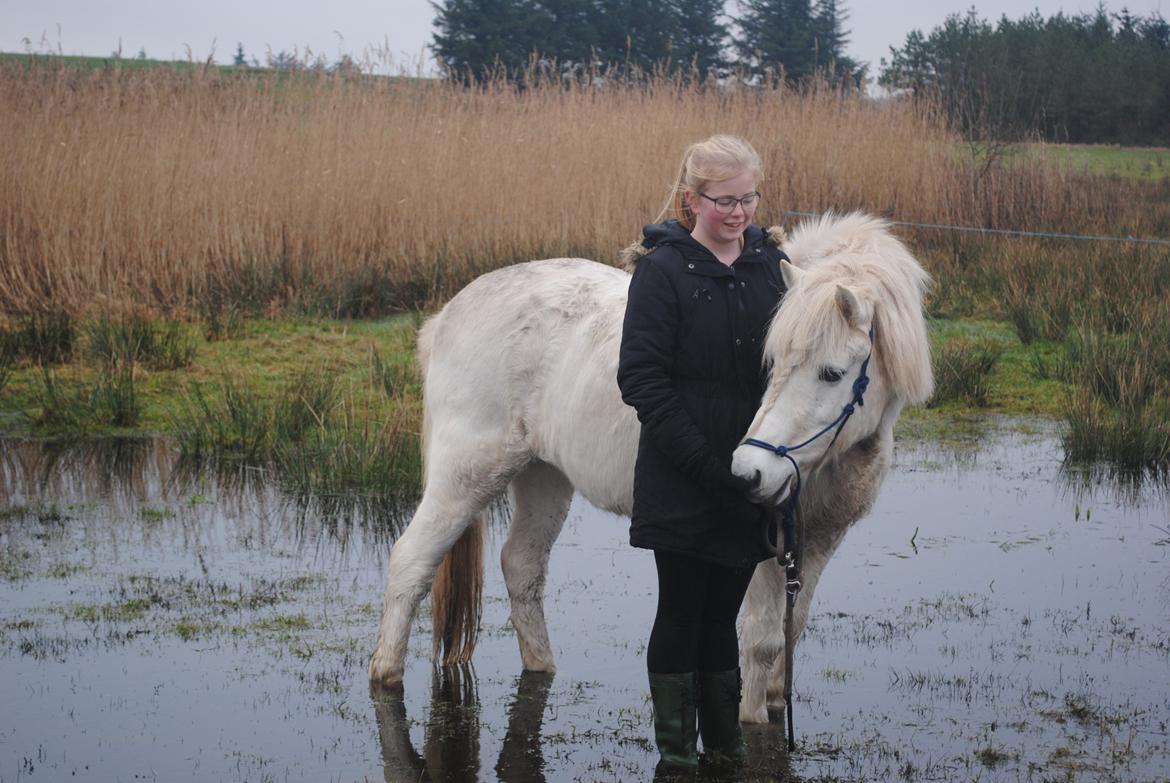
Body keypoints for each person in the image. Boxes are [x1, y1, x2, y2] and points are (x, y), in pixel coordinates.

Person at [616, 134, 788, 773]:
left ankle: (725, 749)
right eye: (724, 201)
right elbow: (641, 380)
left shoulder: (769, 266)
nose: (739, 213)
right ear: (692, 200)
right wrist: (705, 468)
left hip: (751, 477)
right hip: (682, 476)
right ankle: (675, 757)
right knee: (682, 610)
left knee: (722, 617)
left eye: (748, 198)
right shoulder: (663, 271)